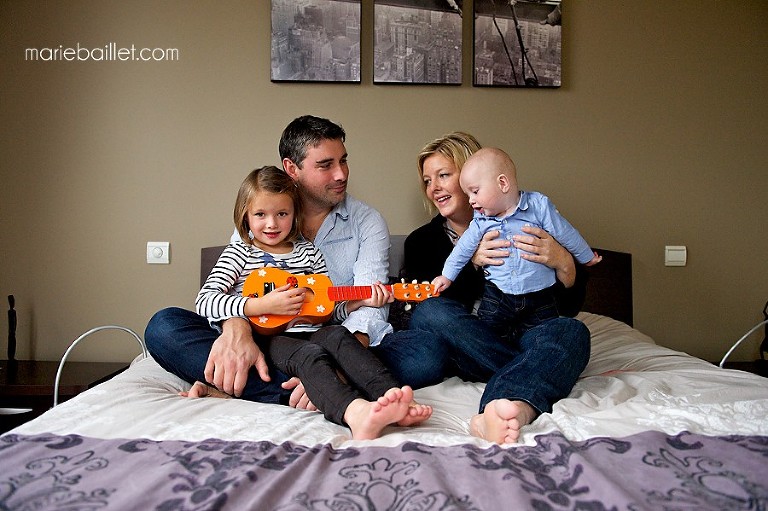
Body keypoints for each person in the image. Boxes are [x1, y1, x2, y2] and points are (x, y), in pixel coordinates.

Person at [145, 115, 446, 412]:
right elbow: (227, 291)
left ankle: (297, 386)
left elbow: (357, 312)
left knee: (427, 352)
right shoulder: (259, 216)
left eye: (343, 160)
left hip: (333, 342)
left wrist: (339, 364)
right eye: (326, 165)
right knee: (163, 326)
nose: (341, 174)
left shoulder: (366, 223)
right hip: (264, 341)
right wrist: (238, 330)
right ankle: (323, 389)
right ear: (292, 169)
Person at [189, 165, 431, 439]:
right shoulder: (239, 252)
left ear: (294, 214)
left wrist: (355, 303)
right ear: (244, 216)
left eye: (282, 214)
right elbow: (205, 300)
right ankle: (355, 413)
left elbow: (323, 309)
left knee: (340, 336)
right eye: (260, 214)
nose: (271, 224)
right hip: (268, 339)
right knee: (311, 357)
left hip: (312, 332)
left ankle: (394, 397)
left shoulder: (309, 254)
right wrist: (259, 306)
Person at [402, 132, 592, 444]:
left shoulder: (534, 219)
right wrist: (473, 263)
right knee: (431, 312)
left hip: (532, 331)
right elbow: (432, 308)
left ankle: (503, 408)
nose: (433, 188)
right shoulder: (421, 242)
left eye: (443, 175)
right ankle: (537, 368)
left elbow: (566, 308)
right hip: (474, 343)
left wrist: (564, 262)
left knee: (573, 332)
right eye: (427, 180)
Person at [431, 147, 600, 340]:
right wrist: (447, 276)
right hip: (498, 297)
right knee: (485, 336)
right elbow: (461, 250)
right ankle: (513, 361)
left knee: (561, 334)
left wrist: (585, 257)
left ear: (503, 183)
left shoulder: (539, 207)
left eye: (475, 192)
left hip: (540, 296)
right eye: (468, 194)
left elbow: (566, 232)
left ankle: (522, 358)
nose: (471, 201)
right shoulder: (480, 221)